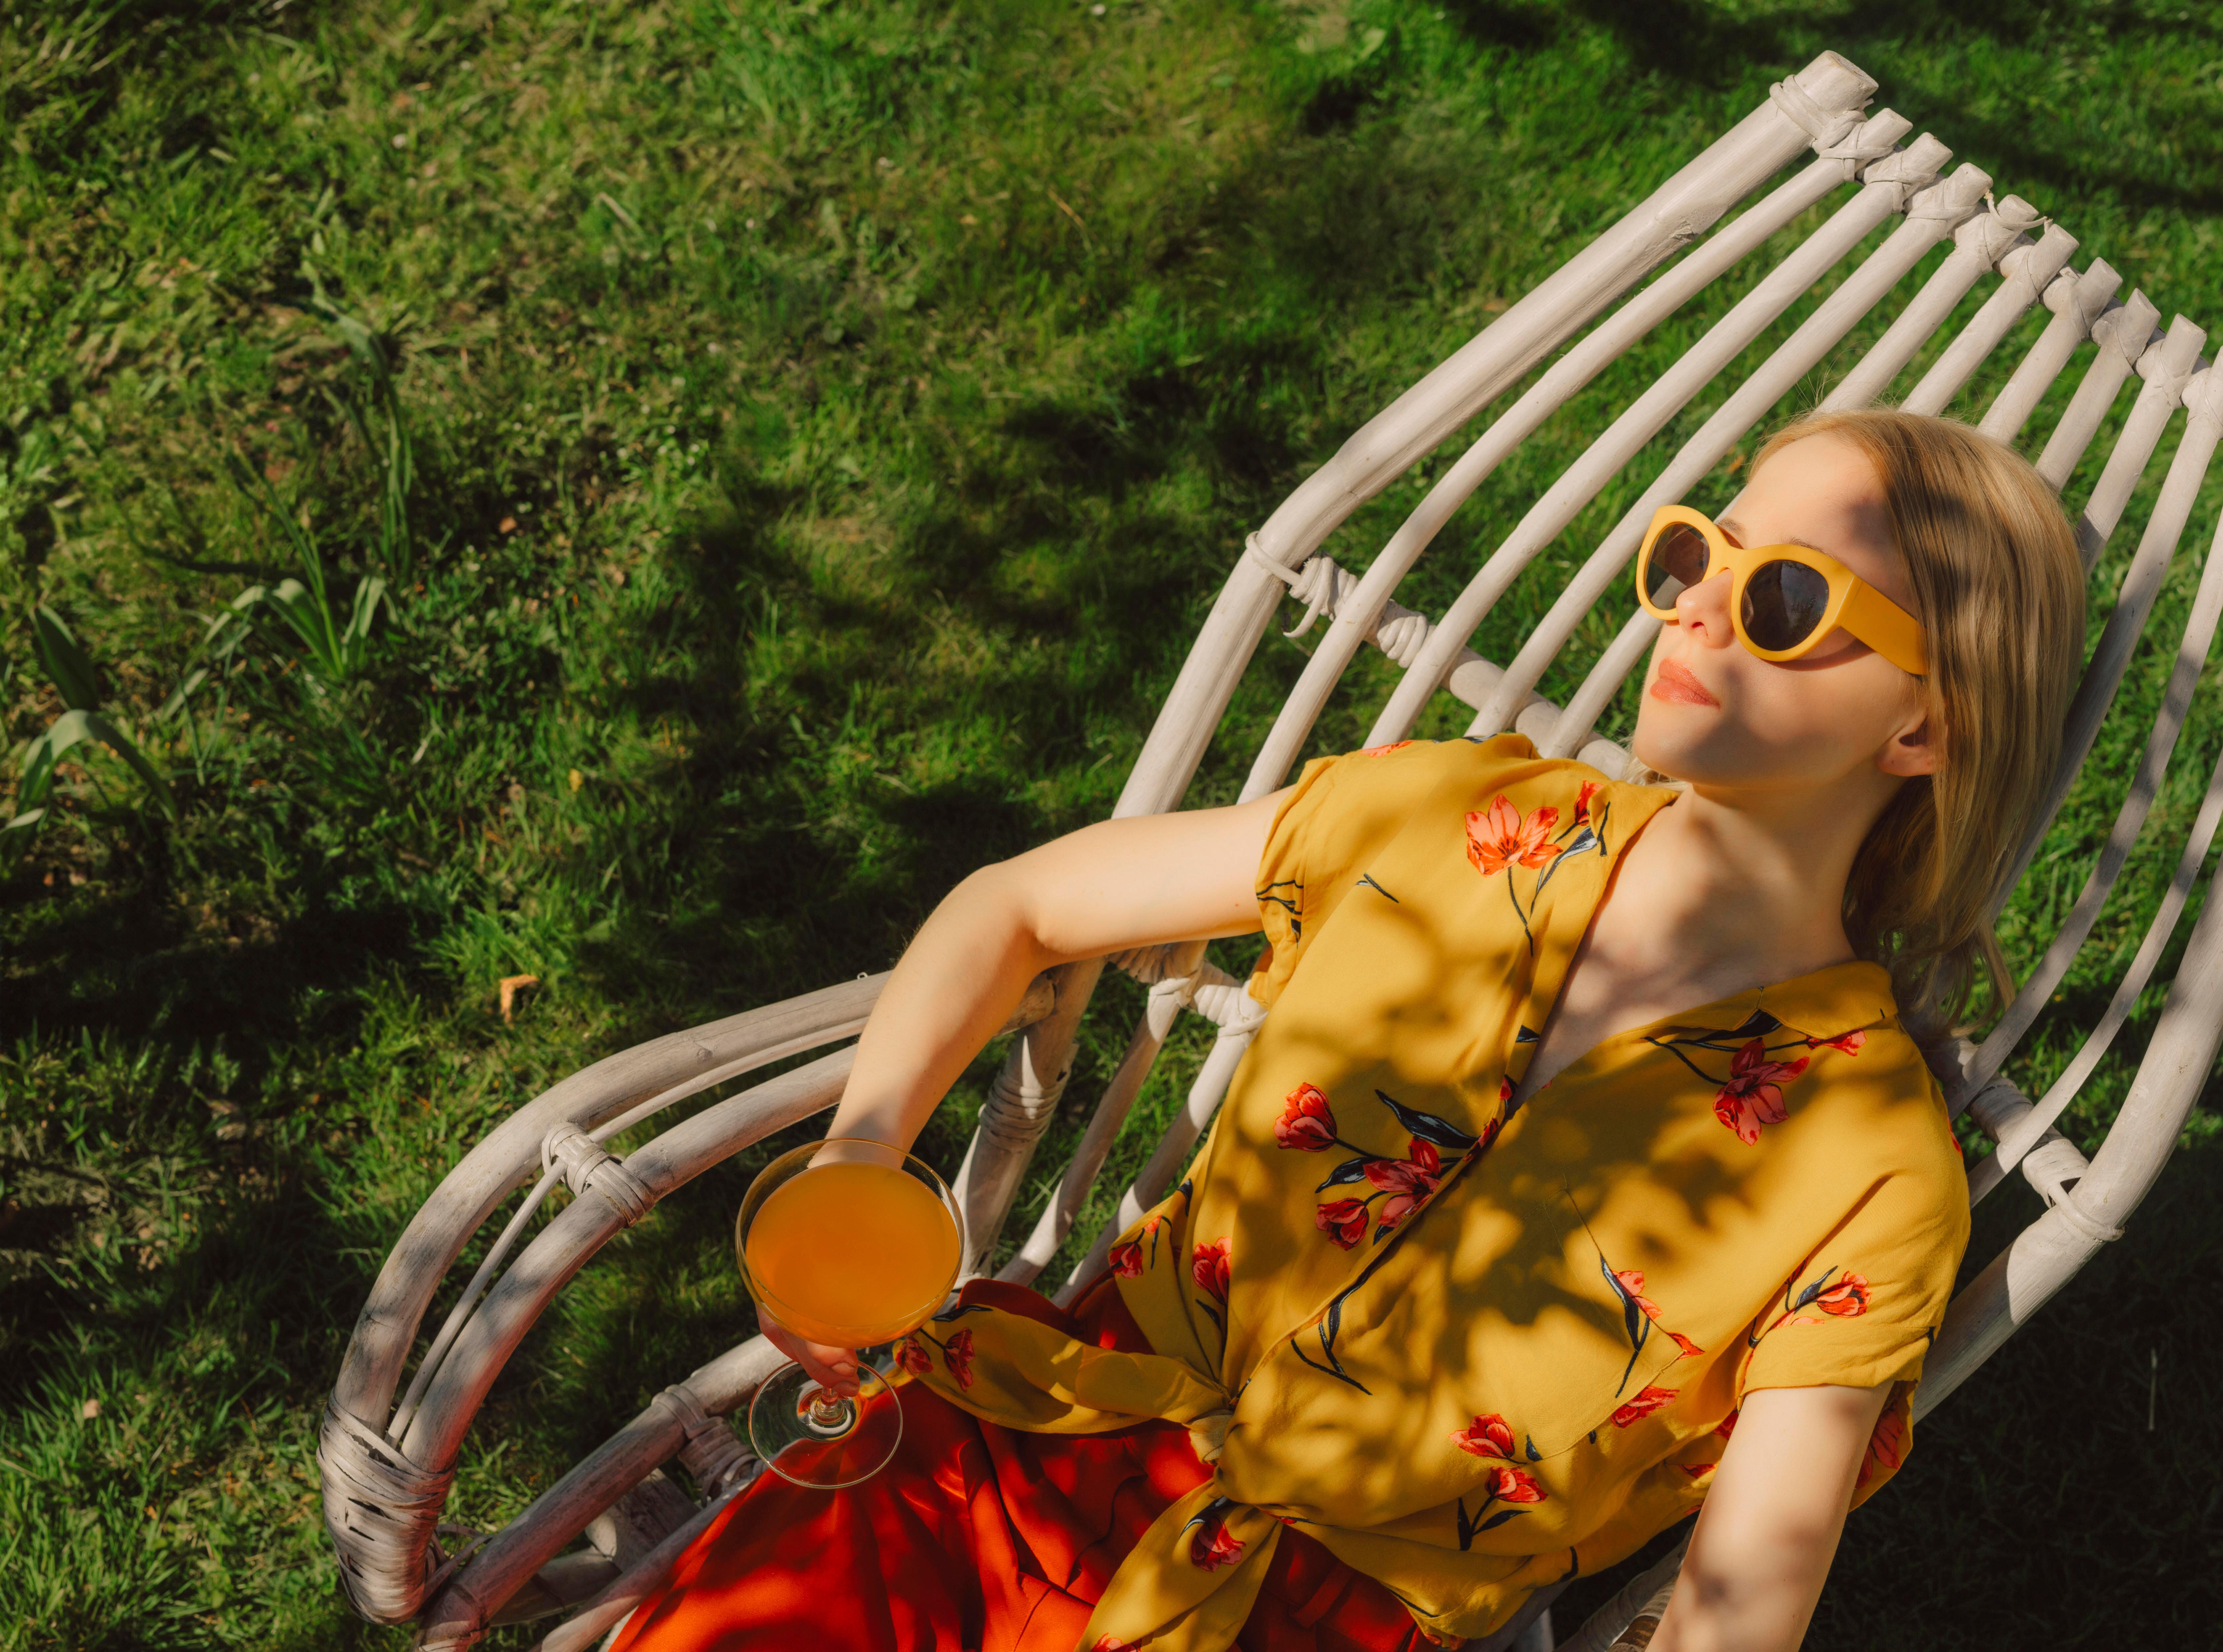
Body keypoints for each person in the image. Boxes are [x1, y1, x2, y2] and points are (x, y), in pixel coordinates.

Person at [607, 408, 2085, 1652]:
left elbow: (1738, 1600)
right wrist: (863, 1155)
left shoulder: (1871, 1168)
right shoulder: (1458, 816)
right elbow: (1022, 903)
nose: (1695, 605)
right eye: (1699, 550)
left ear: (1924, 728)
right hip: (1020, 1447)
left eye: (1787, 601)